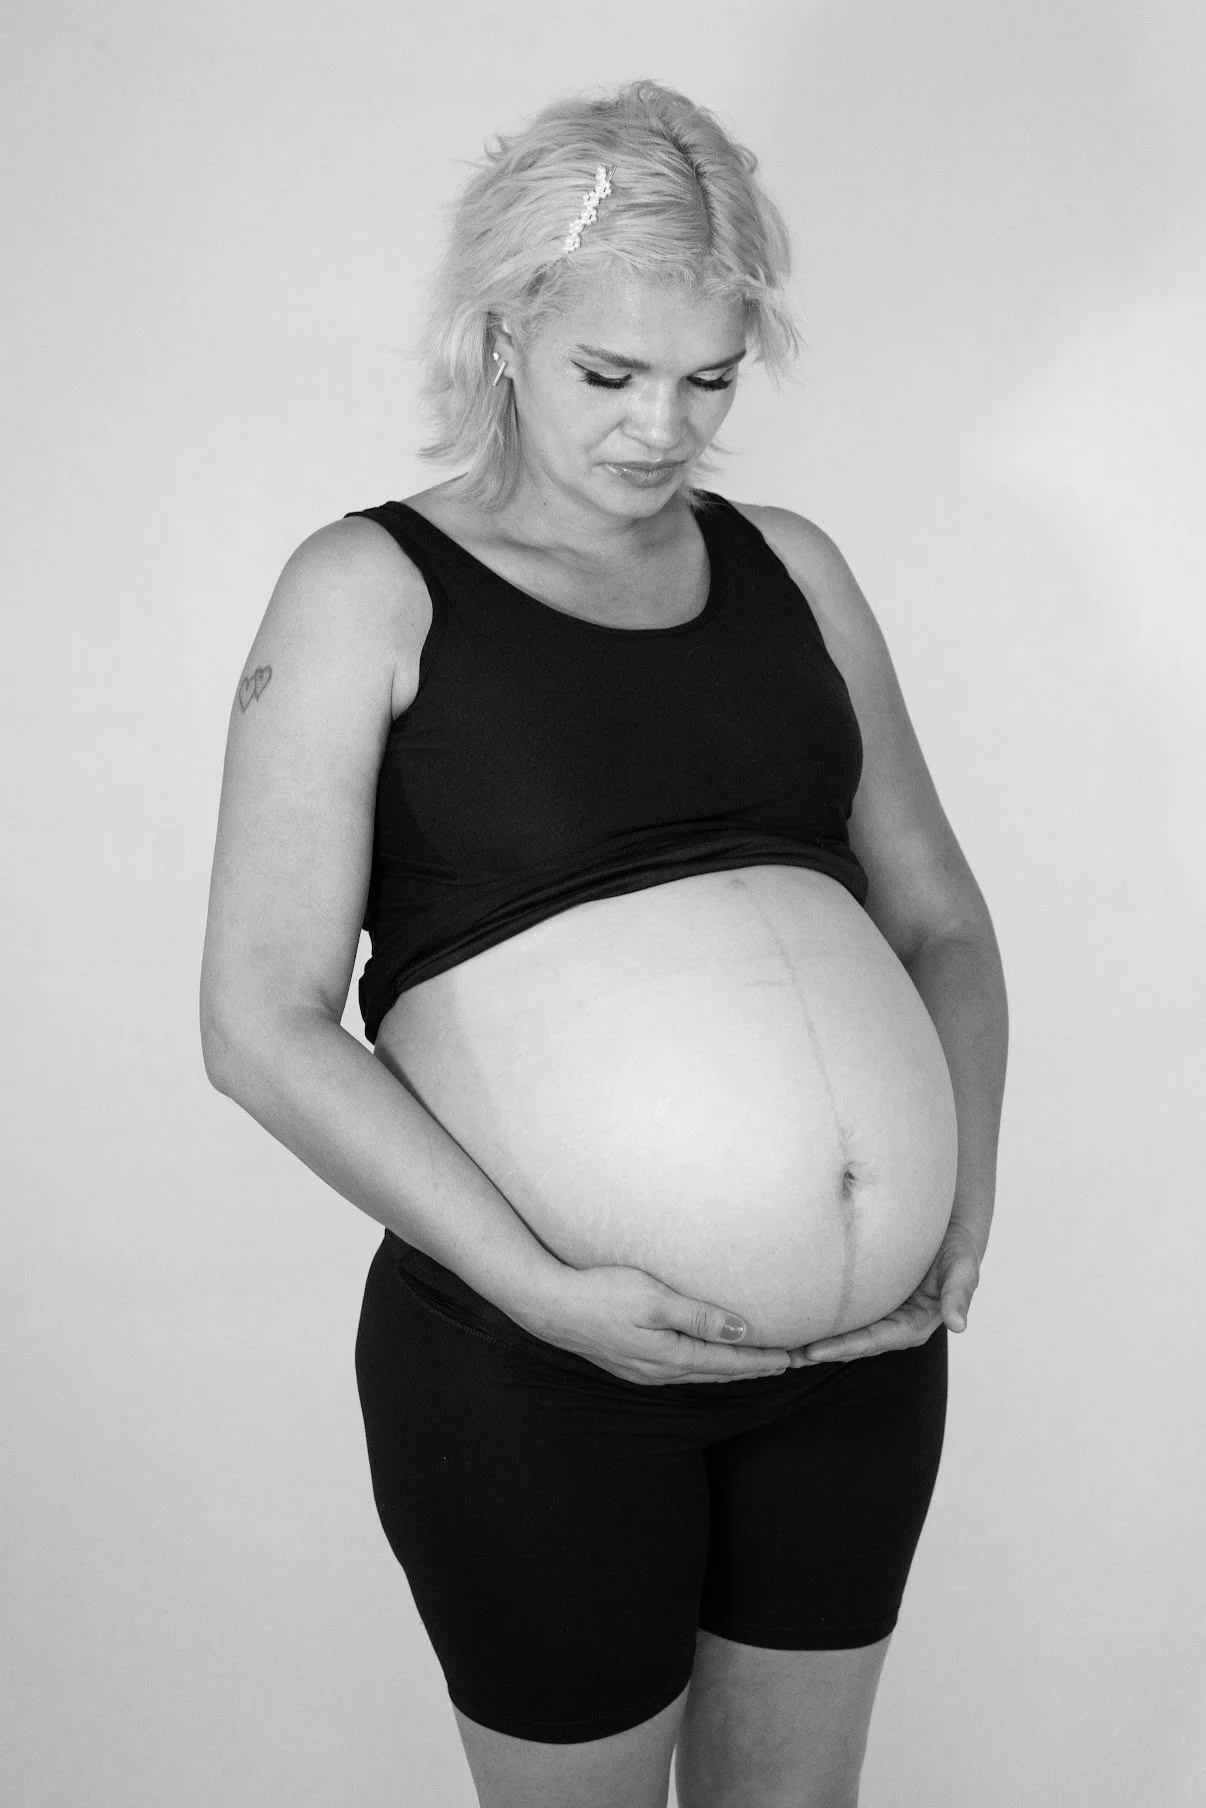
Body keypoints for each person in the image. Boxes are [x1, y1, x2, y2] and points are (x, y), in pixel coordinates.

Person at [200, 78, 1008, 1808]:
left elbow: (935, 915)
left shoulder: (792, 567)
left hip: (854, 1372)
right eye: (610, 375)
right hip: (536, 1374)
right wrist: (545, 1293)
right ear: (502, 335)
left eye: (709, 378)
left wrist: (963, 1199)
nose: (663, 427)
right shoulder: (368, 590)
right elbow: (259, 1020)